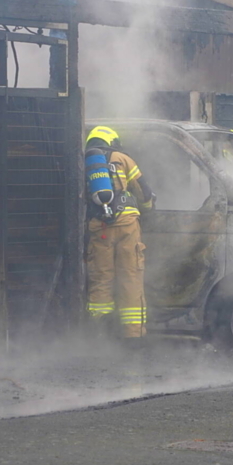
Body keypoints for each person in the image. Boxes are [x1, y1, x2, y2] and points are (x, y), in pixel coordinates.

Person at [84, 126, 155, 339]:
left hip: (100, 229)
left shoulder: (85, 163)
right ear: (112, 140)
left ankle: (100, 337)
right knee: (130, 278)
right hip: (127, 227)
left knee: (101, 279)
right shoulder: (122, 158)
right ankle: (133, 336)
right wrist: (149, 208)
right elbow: (143, 192)